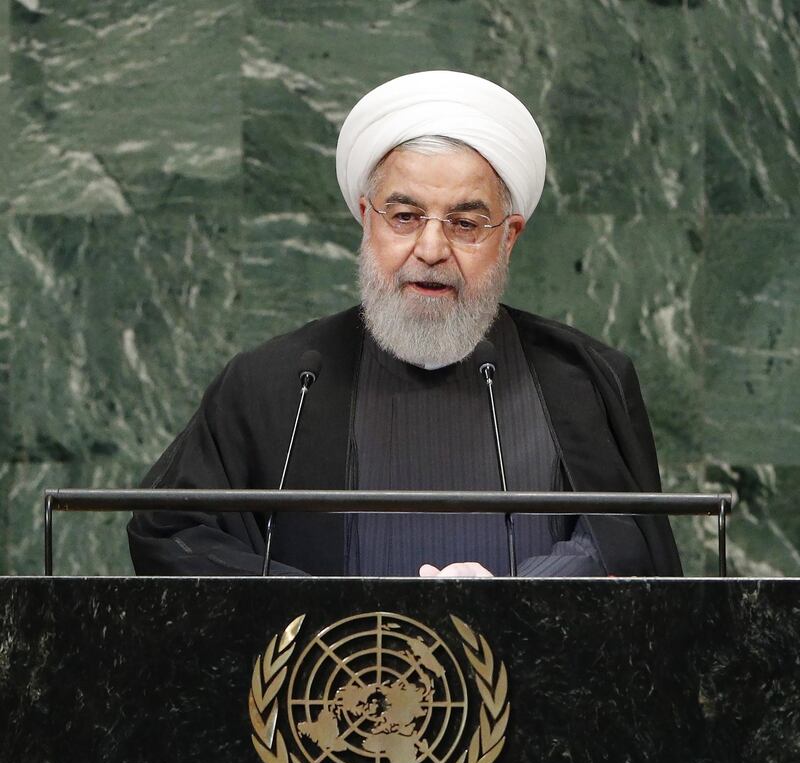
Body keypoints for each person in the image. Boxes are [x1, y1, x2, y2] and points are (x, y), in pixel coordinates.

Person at [128, 71, 681, 579]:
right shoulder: (275, 383)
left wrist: (519, 597)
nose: (432, 249)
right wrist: (329, 614)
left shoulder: (580, 380)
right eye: (405, 217)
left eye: (466, 223)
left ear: (509, 236)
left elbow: (624, 539)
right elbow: (170, 532)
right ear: (367, 219)